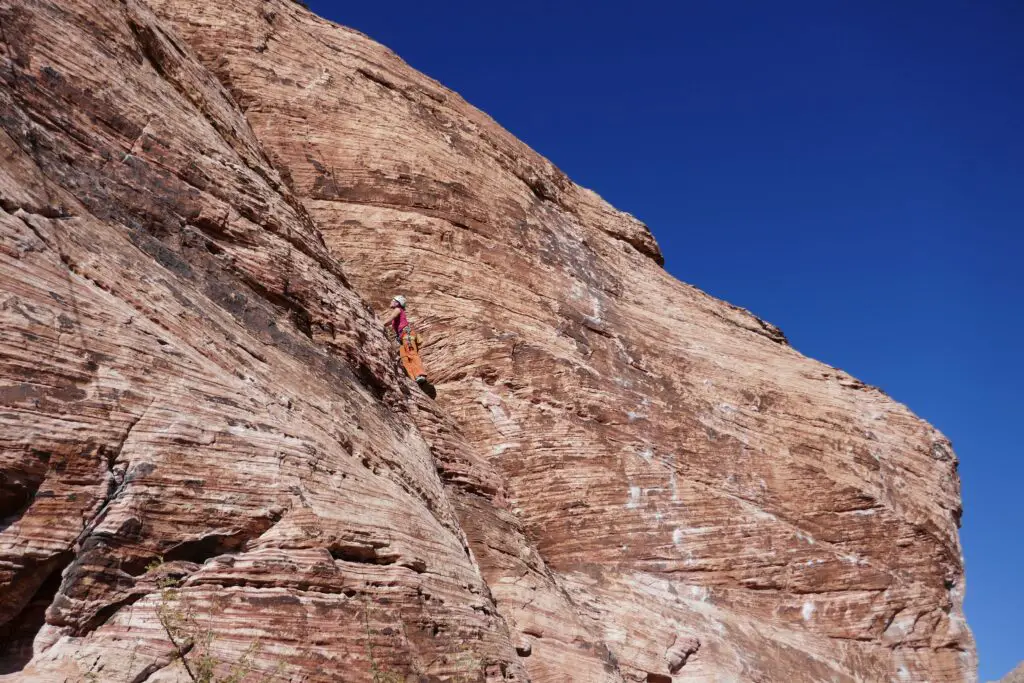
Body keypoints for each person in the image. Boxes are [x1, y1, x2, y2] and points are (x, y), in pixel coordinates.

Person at [381, 295, 429, 386]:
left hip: (407, 335)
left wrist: (379, 324)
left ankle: (420, 374)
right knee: (404, 359)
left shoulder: (398, 309)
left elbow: (389, 320)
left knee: (411, 353)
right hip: (403, 338)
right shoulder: (398, 311)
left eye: (393, 300)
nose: (391, 302)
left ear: (397, 303)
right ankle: (414, 378)